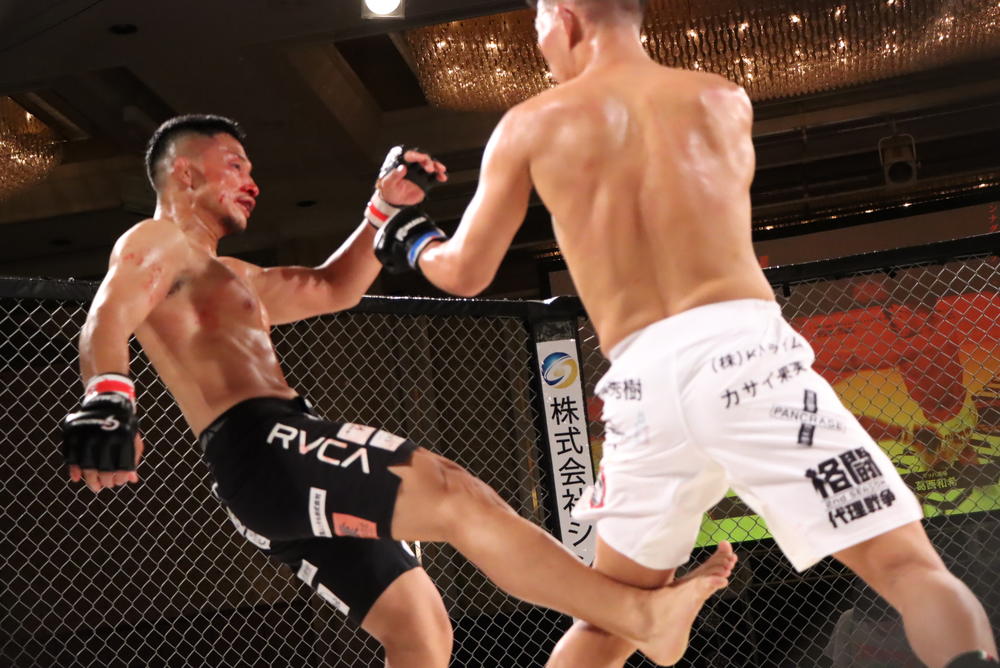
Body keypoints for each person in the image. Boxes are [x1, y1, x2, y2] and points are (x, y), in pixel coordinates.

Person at [369, 1, 998, 666]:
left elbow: (465, 271)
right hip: (744, 355)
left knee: (611, 622)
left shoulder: (530, 124)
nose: (541, 45)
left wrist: (409, 235)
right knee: (908, 569)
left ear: (565, 17)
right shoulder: (722, 100)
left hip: (644, 388)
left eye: (538, 27)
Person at [59, 114, 735, 668]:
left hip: (271, 468)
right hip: (266, 446)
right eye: (235, 165)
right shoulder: (156, 241)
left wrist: (381, 210)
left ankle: (638, 618)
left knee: (420, 631)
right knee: (454, 493)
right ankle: (639, 616)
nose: (252, 182)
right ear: (184, 172)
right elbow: (106, 316)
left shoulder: (233, 276)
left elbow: (333, 287)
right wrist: (108, 397)